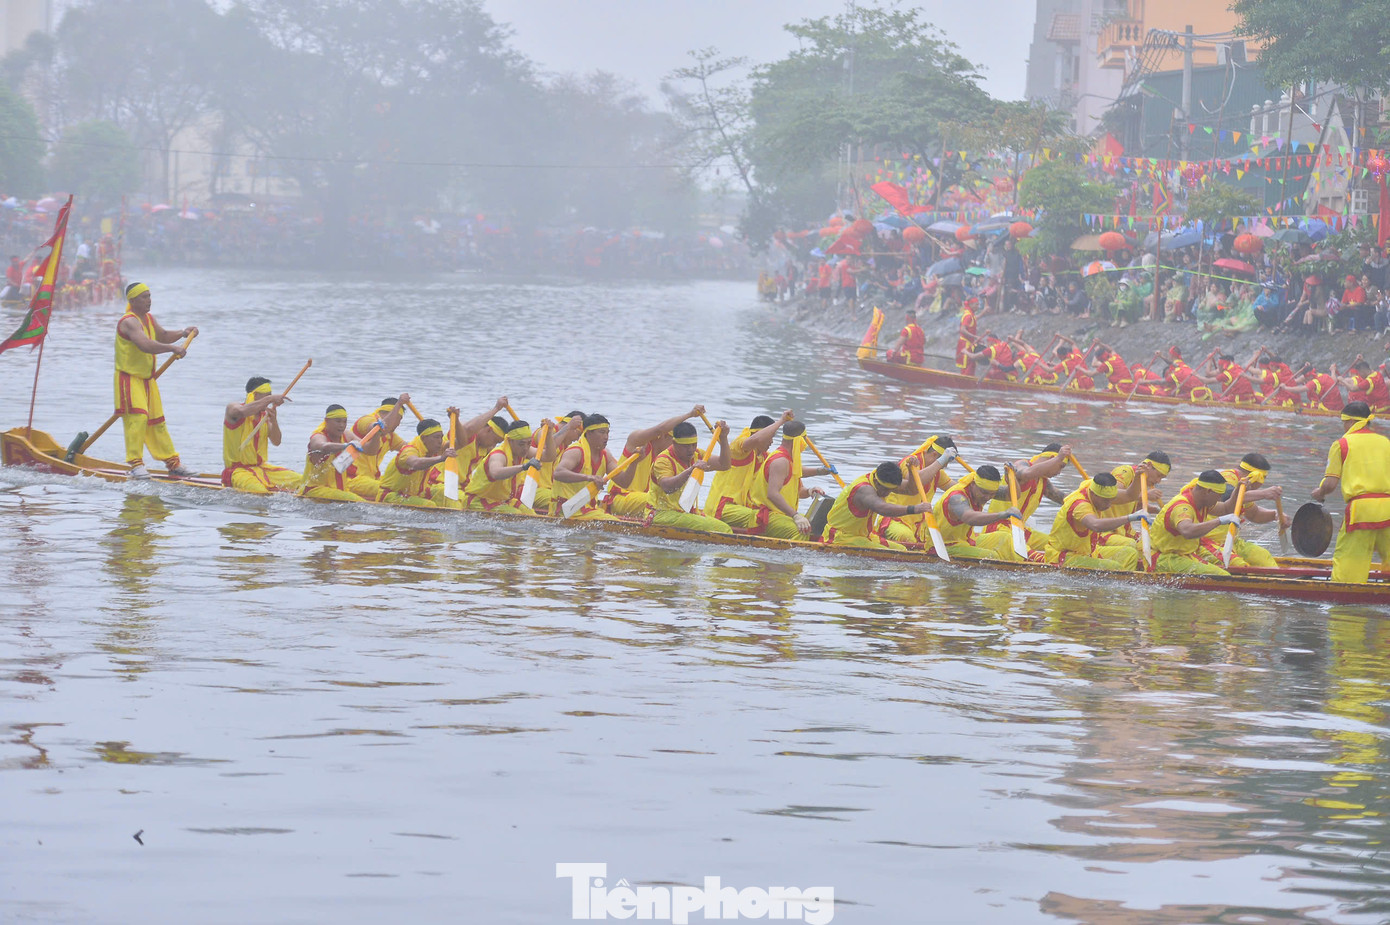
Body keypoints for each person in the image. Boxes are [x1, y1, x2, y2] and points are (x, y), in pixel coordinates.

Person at [114, 282, 197, 479]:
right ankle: (135, 464)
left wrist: (183, 333)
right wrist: (173, 348)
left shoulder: (149, 319)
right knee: (138, 417)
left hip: (147, 379)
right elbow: (145, 344)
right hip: (129, 378)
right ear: (132, 300)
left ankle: (173, 464)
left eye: (149, 296)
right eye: (144, 297)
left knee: (157, 421)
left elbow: (163, 335)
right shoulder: (129, 321)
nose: (149, 300)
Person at [1312, 402, 1390, 583]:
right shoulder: (1386, 442)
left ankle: (1345, 606)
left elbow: (1330, 484)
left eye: (1344, 422)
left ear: (1352, 421)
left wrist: (1320, 492)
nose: (1343, 426)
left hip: (1361, 513)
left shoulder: (1342, 444)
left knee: (1348, 567)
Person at [604, 406, 709, 519]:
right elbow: (659, 429)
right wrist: (690, 414)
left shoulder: (668, 457)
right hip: (621, 498)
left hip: (648, 500)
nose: (675, 447)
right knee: (667, 502)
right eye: (676, 443)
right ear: (664, 436)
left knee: (671, 502)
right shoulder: (638, 441)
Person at [746, 420, 835, 538]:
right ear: (798, 440)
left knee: (822, 526)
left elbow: (797, 492)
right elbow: (772, 494)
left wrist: (810, 491)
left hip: (782, 515)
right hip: (766, 517)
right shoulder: (780, 461)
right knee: (804, 531)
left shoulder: (790, 461)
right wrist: (796, 516)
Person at [706, 411, 794, 530]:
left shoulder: (763, 457)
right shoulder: (738, 447)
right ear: (758, 434)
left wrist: (820, 471)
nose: (772, 441)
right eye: (770, 437)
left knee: (773, 514)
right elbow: (755, 440)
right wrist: (781, 421)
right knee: (764, 516)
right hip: (722, 506)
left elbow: (785, 468)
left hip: (741, 509)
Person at [1044, 472, 1146, 570]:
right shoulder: (1080, 505)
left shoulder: (1095, 486)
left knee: (1130, 553)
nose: (1109, 505)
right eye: (1105, 500)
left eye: (1112, 499)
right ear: (1093, 494)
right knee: (1114, 567)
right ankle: (1119, 583)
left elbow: (1130, 496)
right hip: (1064, 556)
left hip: (1088, 552)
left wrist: (1137, 476)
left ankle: (1125, 583)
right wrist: (1129, 518)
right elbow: (1095, 525)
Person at [984, 443, 1074, 552]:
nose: (1059, 473)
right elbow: (1026, 474)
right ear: (1051, 459)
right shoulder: (1021, 465)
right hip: (998, 530)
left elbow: (1067, 500)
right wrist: (1059, 458)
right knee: (1035, 557)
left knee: (1063, 545)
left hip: (1019, 531)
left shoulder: (1043, 482)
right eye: (1061, 466)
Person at [647, 420, 733, 533]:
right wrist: (691, 470)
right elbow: (668, 488)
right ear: (674, 443)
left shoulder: (697, 455)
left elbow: (724, 464)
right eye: (686, 446)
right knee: (723, 529)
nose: (691, 449)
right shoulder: (663, 460)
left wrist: (723, 438)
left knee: (723, 526)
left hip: (684, 513)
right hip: (660, 514)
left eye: (694, 445)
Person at [1148, 470, 1241, 575]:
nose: (1220, 498)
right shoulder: (1182, 507)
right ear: (1208, 491)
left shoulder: (1201, 503)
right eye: (1219, 495)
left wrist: (1238, 490)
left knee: (1225, 573)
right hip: (1163, 558)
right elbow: (1187, 531)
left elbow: (1226, 509)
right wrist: (1219, 521)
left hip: (1182, 556)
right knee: (1223, 576)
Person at [931, 464, 1027, 561]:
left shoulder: (984, 489)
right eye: (984, 493)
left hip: (965, 541)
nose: (987, 497)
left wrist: (1011, 479)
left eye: (992, 494)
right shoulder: (957, 498)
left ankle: (1021, 565)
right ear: (973, 484)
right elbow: (969, 518)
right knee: (991, 556)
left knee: (1004, 537)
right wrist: (1003, 514)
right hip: (944, 546)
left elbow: (1012, 495)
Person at [823, 462, 927, 550]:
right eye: (886, 489)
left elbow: (911, 490)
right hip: (840, 537)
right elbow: (881, 508)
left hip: (863, 536)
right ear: (877, 482)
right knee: (897, 556)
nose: (887, 493)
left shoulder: (884, 481)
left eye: (891, 490)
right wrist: (914, 509)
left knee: (902, 549)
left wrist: (911, 472)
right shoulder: (864, 489)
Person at [875, 436, 959, 545]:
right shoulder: (910, 462)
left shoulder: (937, 473)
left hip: (919, 526)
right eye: (946, 462)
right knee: (906, 536)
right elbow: (915, 484)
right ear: (934, 455)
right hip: (895, 520)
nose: (945, 466)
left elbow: (956, 488)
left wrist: (973, 483)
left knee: (949, 536)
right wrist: (941, 461)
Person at [222, 376, 298, 493]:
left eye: (271, 396)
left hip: (262, 469)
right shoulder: (233, 408)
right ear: (255, 395)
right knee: (260, 492)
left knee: (302, 481)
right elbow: (241, 412)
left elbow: (276, 442)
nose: (270, 400)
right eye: (267, 395)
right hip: (238, 471)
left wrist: (274, 421)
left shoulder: (265, 417)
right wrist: (270, 399)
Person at [1213, 453, 1288, 568]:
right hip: (1210, 541)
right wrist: (1263, 493)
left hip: (1232, 541)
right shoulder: (1227, 478)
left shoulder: (1246, 488)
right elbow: (1229, 497)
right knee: (1241, 566)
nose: (1262, 484)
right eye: (1264, 478)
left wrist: (1275, 515)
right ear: (1257, 476)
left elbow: (1254, 514)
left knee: (1264, 558)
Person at [552, 413, 623, 521]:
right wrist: (589, 477)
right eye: (602, 432)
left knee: (613, 522)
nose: (606, 437)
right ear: (589, 433)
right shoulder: (576, 451)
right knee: (615, 523)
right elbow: (558, 473)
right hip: (565, 510)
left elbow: (625, 482)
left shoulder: (605, 455)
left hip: (586, 509)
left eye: (607, 433)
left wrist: (635, 462)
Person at [462, 418, 541, 513]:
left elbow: (549, 456)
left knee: (530, 513)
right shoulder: (498, 454)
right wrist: (523, 467)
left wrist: (548, 434)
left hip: (504, 501)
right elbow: (496, 473)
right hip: (480, 501)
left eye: (529, 443)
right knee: (517, 514)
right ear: (510, 441)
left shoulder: (523, 450)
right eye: (521, 444)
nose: (525, 448)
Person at [377, 417, 459, 508]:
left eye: (441, 437)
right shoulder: (409, 450)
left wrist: (457, 419)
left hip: (415, 494)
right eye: (436, 437)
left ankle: (458, 516)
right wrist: (440, 458)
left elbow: (462, 442)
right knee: (429, 505)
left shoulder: (434, 447)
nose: (440, 441)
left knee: (445, 493)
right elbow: (416, 463)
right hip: (390, 496)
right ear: (424, 438)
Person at [342, 394, 411, 500]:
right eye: (399, 419)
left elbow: (411, 447)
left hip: (371, 480)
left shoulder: (390, 437)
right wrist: (399, 404)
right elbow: (379, 428)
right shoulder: (365, 421)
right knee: (390, 490)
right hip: (352, 480)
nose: (398, 424)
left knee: (405, 486)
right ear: (393, 415)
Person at [299, 405, 369, 502]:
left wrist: (377, 433)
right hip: (314, 490)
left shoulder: (346, 435)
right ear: (326, 421)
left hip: (338, 490)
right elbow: (323, 446)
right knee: (361, 503)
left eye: (344, 421)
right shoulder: (318, 436)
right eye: (338, 421)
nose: (342, 425)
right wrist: (345, 446)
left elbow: (370, 450)